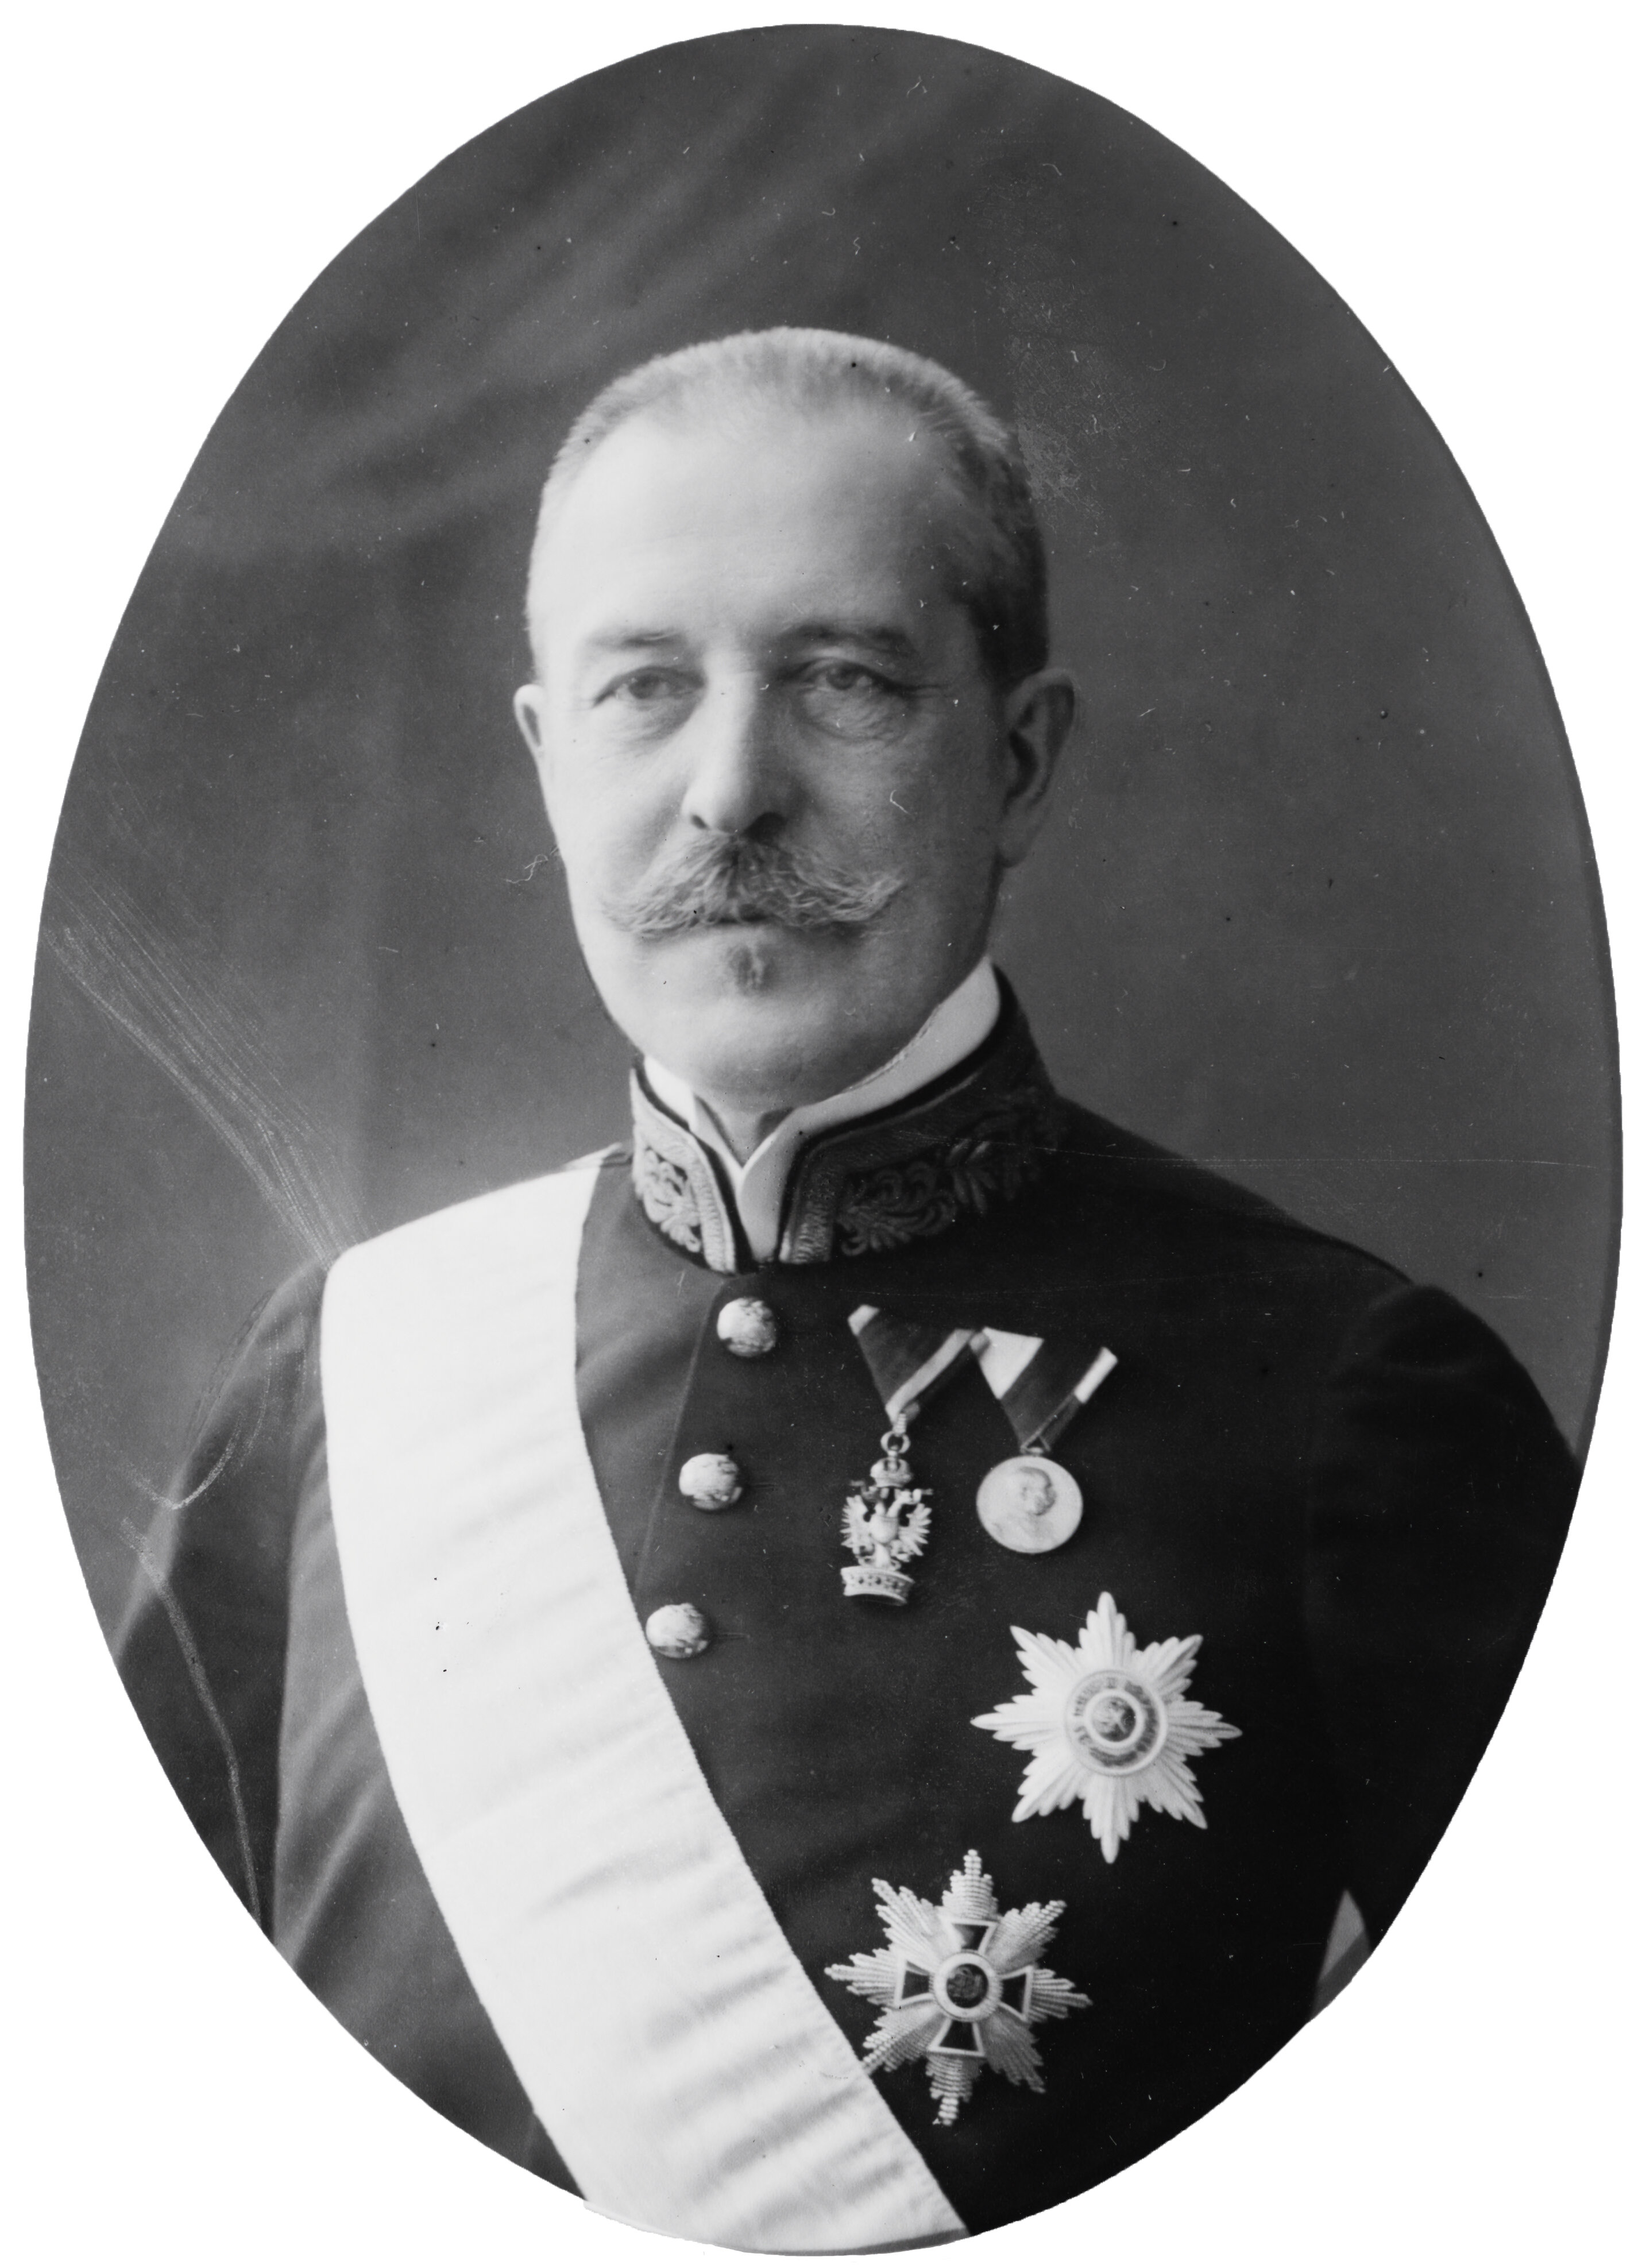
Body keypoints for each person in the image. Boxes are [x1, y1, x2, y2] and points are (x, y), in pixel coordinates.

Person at [113, 328, 1577, 2248]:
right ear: (549, 758)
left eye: (843, 681)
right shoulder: (346, 1363)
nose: (730, 793)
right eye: (646, 688)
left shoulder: (1337, 1393)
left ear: (1016, 763)